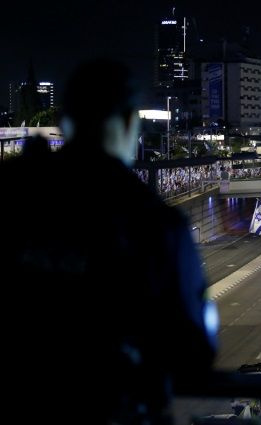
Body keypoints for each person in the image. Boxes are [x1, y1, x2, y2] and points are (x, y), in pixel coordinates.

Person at [0, 60, 218, 425]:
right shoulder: (153, 221)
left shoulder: (13, 192)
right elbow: (195, 352)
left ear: (66, 122)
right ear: (131, 122)